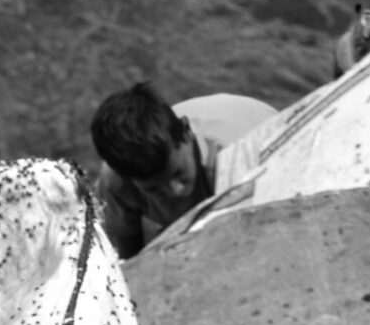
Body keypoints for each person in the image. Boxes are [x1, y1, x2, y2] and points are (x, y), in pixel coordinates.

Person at [88, 83, 278, 260]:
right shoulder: (116, 183)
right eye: (154, 189)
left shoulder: (234, 158)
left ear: (187, 133)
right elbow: (127, 258)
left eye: (178, 173)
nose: (175, 191)